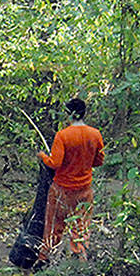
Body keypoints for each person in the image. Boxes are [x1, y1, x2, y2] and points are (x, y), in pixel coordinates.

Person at [37, 97, 104, 263]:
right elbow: (99, 161)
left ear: (69, 114)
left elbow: (55, 163)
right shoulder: (95, 134)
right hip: (84, 190)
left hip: (62, 189)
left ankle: (45, 258)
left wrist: (43, 156)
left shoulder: (63, 135)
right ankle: (80, 260)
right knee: (81, 227)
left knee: (53, 226)